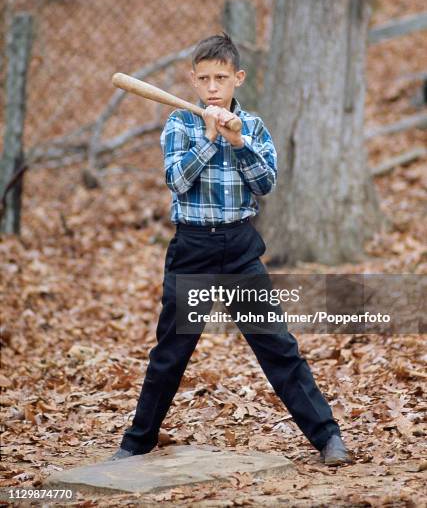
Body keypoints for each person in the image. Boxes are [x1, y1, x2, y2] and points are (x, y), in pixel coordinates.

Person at [110, 33, 351, 466]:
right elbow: (177, 181)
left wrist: (238, 142)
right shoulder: (179, 124)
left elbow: (266, 184)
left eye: (221, 77)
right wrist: (207, 136)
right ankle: (136, 442)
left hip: (240, 249)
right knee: (171, 352)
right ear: (193, 81)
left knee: (277, 346)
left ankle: (328, 438)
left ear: (238, 78)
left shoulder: (254, 127)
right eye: (204, 79)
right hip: (193, 251)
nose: (213, 87)